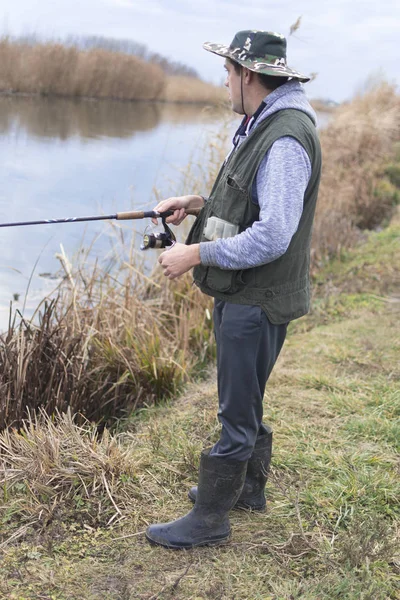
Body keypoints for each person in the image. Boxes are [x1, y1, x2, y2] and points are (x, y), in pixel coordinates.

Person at [145, 29, 322, 549]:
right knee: (245, 398)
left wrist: (193, 253)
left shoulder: (285, 137)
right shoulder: (261, 123)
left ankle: (210, 519)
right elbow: (250, 205)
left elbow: (273, 234)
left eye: (228, 72)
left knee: (234, 411)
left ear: (249, 75)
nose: (223, 82)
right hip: (249, 294)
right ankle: (248, 491)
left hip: (255, 298)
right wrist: (197, 204)